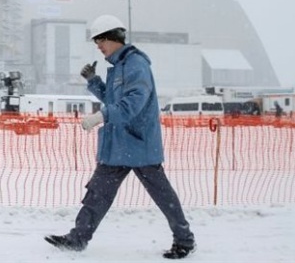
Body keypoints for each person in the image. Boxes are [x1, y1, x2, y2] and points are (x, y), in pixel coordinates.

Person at [44, 15, 196, 259]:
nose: (98, 46)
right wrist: (93, 81)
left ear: (114, 37)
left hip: (138, 144)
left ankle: (184, 240)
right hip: (117, 146)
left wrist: (99, 117)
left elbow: (132, 104)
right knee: (97, 193)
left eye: (100, 40)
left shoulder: (136, 65)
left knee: (162, 195)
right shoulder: (118, 67)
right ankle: (78, 238)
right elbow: (113, 100)